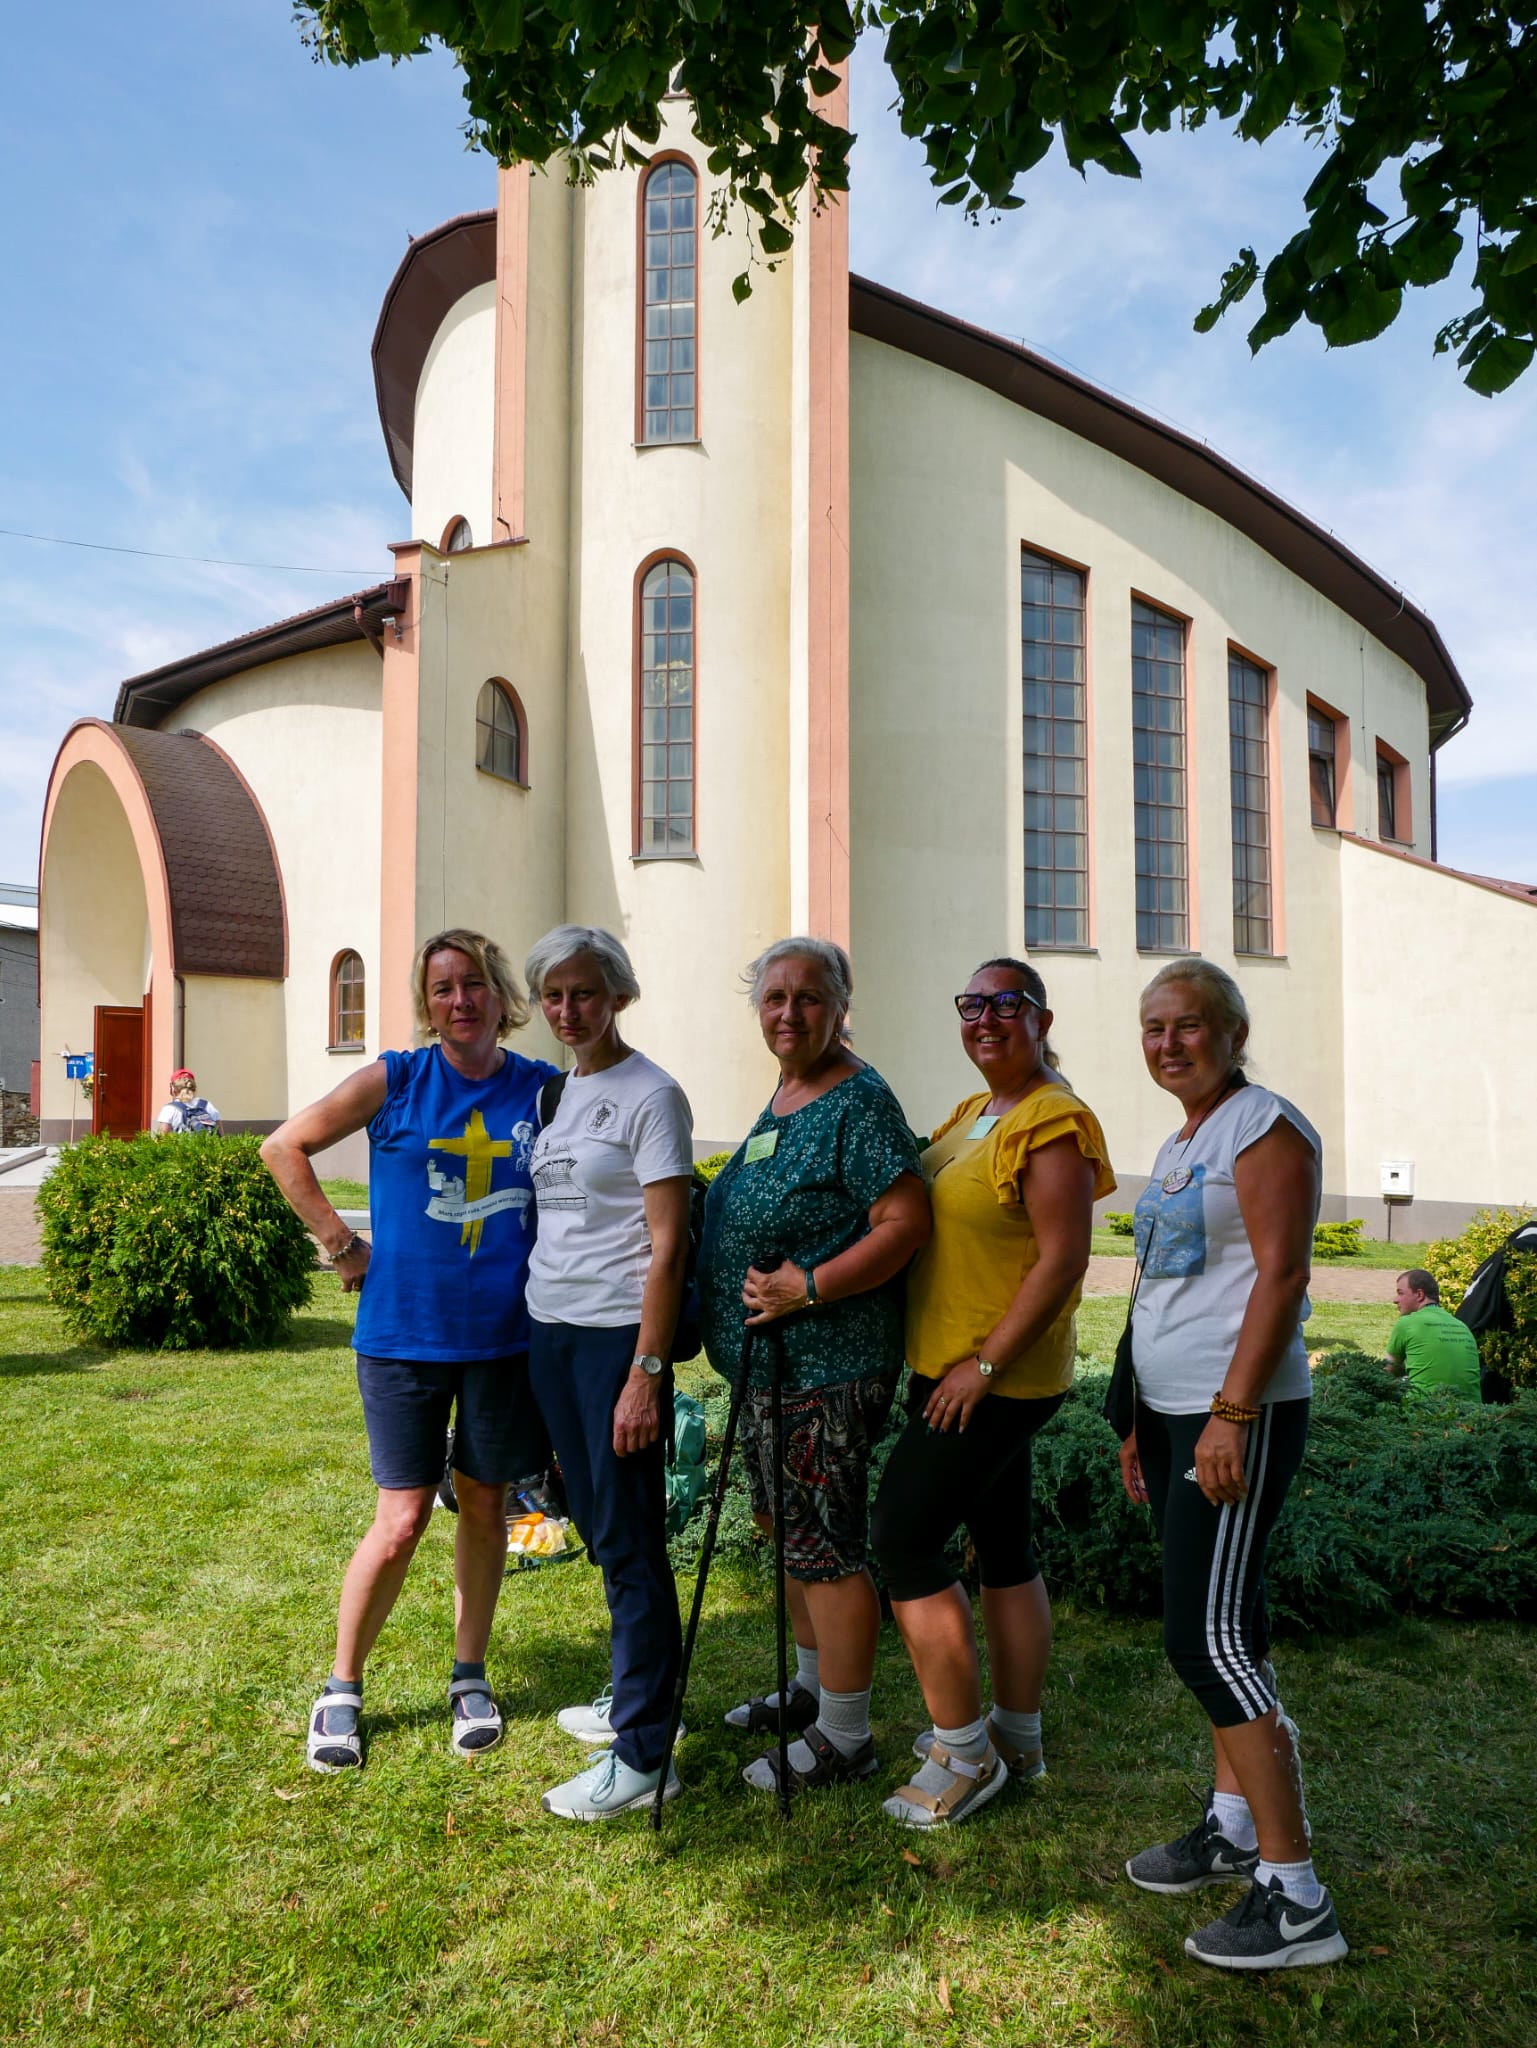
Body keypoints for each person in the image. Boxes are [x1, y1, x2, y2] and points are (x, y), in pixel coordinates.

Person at [261, 929, 555, 1773]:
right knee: (401, 1519)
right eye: (441, 989)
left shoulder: (541, 1092)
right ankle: (342, 1688)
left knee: (487, 1507)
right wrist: (339, 1242)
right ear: (428, 1006)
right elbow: (282, 1146)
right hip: (401, 1337)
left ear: (501, 996)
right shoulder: (395, 1079)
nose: (458, 1001)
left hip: (504, 1340)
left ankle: (470, 1675)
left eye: (473, 985)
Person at [1118, 959, 1347, 1971]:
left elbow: (1283, 1273)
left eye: (1190, 1024)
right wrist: (1138, 1419)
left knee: (1201, 1638)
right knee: (1229, 1622)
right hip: (1178, 1415)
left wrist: (1230, 1412)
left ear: (1234, 1027)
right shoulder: (1180, 1140)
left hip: (1234, 1414)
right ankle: (1232, 1823)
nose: (1170, 1041)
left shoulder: (1264, 1127)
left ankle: (1296, 1897)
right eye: (1154, 1026)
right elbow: (1160, 1289)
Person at [870, 958, 1115, 1827]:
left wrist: (985, 1366)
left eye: (1005, 1005)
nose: (984, 1019)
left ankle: (965, 1757)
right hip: (953, 1366)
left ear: (1041, 1020)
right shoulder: (976, 1112)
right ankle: (1017, 1737)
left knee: (900, 1540)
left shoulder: (1054, 1120)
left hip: (992, 1377)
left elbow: (1063, 1260)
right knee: (1005, 1549)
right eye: (970, 1005)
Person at [697, 937, 931, 1796]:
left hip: (828, 1364)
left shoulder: (856, 1100)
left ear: (840, 1005)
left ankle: (845, 1734)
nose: (788, 1013)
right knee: (787, 1532)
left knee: (826, 1548)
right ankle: (808, 1686)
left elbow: (904, 1224)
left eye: (807, 998)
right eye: (773, 998)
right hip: (772, 1367)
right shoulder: (790, 1092)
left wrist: (810, 1287)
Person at [522, 925, 695, 1821]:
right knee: (594, 1522)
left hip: (613, 1339)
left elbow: (667, 1248)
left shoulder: (650, 1095)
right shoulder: (560, 1092)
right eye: (553, 995)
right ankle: (635, 1691)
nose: (567, 1010)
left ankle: (643, 1754)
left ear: (617, 996)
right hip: (550, 1334)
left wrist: (645, 1373)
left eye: (584, 993)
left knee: (628, 1537)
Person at [1384, 1269, 1482, 1402]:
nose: (1395, 1300)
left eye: (1400, 1293)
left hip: (1427, 1412)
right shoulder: (1462, 1326)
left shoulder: (1408, 1323)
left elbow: (1388, 1372)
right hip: (1473, 1415)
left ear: (1419, 1294)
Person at [154, 1069, 222, 1135]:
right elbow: (220, 1134)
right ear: (193, 1087)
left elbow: (162, 1137)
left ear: (173, 1088)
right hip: (206, 1146)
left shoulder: (169, 1109)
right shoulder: (208, 1105)